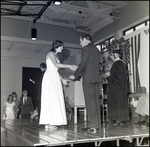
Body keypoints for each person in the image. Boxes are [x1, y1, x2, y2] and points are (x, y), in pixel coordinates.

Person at [39, 40, 77, 130]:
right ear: (57, 46)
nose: (62, 48)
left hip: (55, 77)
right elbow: (56, 65)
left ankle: (53, 121)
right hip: (49, 78)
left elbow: (55, 70)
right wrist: (69, 66)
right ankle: (48, 122)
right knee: (51, 98)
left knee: (56, 98)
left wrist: (62, 79)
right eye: (61, 46)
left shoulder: (56, 56)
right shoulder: (50, 53)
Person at [69, 34, 101, 133]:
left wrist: (75, 75)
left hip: (89, 79)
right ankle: (96, 125)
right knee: (95, 102)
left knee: (90, 102)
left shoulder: (86, 49)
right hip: (96, 78)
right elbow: (88, 65)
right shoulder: (96, 49)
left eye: (80, 41)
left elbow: (83, 64)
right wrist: (78, 73)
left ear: (84, 40)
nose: (80, 43)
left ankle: (93, 126)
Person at [104, 49, 130, 125]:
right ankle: (115, 118)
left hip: (119, 87)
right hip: (115, 86)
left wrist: (110, 74)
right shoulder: (116, 63)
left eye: (112, 55)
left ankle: (120, 119)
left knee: (119, 102)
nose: (111, 56)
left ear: (116, 55)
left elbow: (120, 76)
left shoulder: (120, 63)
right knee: (114, 102)